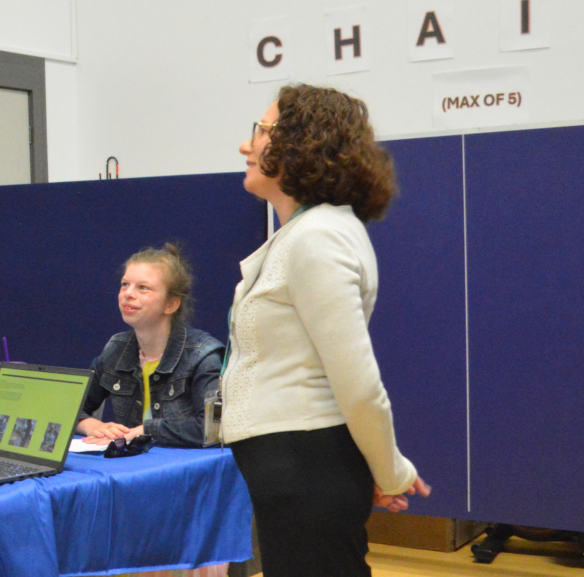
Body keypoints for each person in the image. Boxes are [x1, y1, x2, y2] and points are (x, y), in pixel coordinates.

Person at [222, 83, 431, 576]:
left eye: (261, 131)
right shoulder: (305, 233)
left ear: (301, 145)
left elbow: (358, 386)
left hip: (307, 471)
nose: (246, 145)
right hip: (298, 472)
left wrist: (390, 469)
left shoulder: (319, 238)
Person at [76, 244, 224, 448]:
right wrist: (88, 424)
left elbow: (214, 429)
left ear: (171, 304)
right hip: (131, 468)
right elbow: (66, 408)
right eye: (124, 284)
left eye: (142, 287)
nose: (128, 293)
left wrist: (145, 431)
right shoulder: (116, 349)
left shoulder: (203, 356)